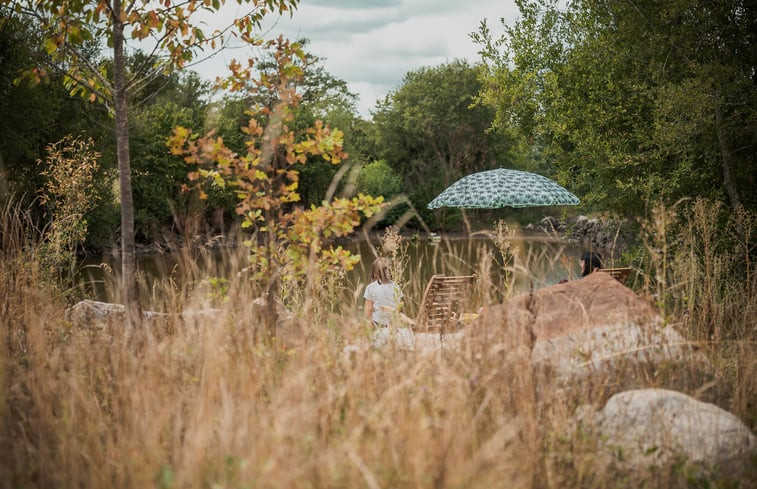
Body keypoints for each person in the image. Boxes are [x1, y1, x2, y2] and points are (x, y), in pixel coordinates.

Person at [363, 257, 403, 327]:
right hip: (393, 324)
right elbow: (399, 309)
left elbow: (368, 312)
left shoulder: (370, 287)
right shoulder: (396, 286)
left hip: (377, 324)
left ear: (374, 273)